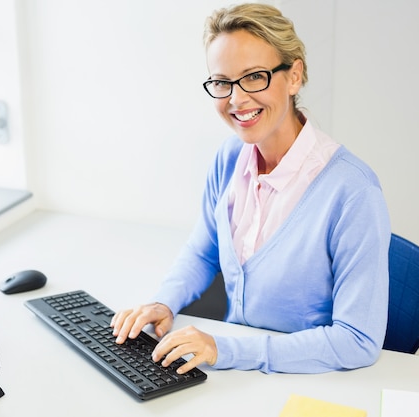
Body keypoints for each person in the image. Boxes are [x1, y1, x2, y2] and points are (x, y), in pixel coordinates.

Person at [110, 3, 391, 375]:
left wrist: (226, 350)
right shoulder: (229, 159)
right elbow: (202, 251)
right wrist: (163, 303)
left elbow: (358, 340)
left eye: (255, 76)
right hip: (238, 377)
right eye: (222, 81)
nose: (237, 99)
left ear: (294, 76)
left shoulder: (353, 191)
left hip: (309, 381)